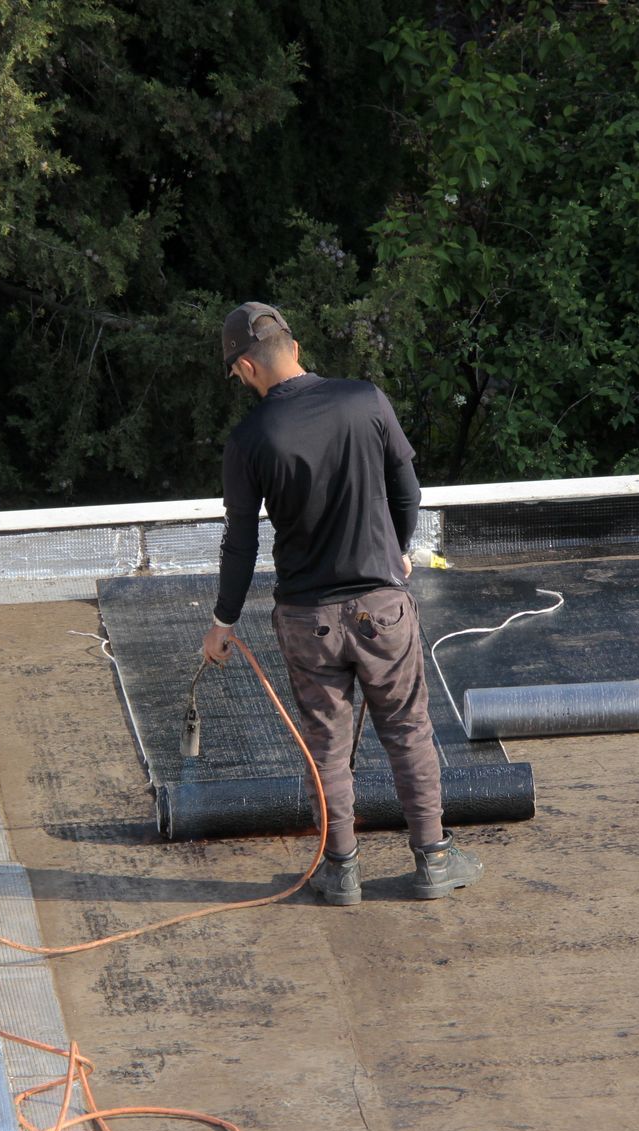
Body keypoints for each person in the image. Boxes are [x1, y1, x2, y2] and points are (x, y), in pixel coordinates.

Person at [199, 301, 483, 906]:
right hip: (383, 609)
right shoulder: (365, 399)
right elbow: (407, 489)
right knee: (407, 731)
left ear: (246, 367)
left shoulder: (249, 440)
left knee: (326, 744)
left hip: (308, 621)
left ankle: (341, 869)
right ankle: (433, 860)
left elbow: (241, 543)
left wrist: (222, 622)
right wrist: (396, 553)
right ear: (295, 348)